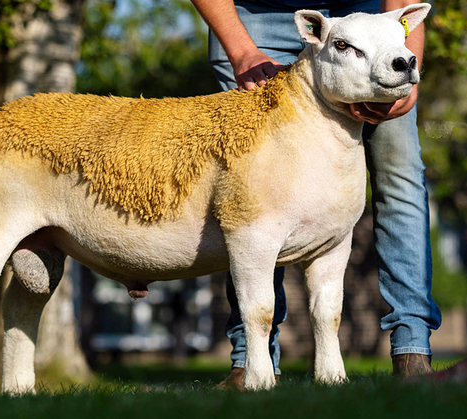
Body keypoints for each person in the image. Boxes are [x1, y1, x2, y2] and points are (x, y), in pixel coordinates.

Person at [189, 0, 442, 387]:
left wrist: (410, 69)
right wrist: (240, 49)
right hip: (256, 19)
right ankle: (251, 362)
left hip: (370, 22)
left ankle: (413, 352)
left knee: (398, 171)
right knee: (251, 190)